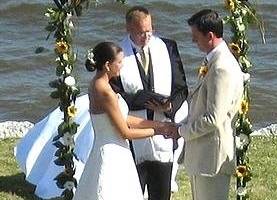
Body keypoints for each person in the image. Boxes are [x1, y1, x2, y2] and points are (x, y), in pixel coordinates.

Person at [73, 42, 175, 199]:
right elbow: (125, 132)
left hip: (105, 148)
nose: (122, 66)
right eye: (119, 62)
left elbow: (122, 118)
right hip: (113, 153)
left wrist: (159, 124)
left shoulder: (96, 83)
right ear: (108, 65)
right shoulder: (105, 91)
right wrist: (158, 131)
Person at [109, 6, 188, 200]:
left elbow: (181, 88)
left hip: (164, 131)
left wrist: (168, 106)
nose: (146, 36)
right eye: (140, 32)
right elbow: (115, 96)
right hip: (134, 134)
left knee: (161, 193)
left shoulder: (167, 47)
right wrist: (144, 99)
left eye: (149, 31)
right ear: (129, 29)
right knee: (131, 192)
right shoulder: (117, 55)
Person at [172, 9, 246, 200]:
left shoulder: (221, 68)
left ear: (210, 36)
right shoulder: (214, 61)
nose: (193, 41)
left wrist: (182, 131)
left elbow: (213, 118)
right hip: (203, 155)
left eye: (195, 37)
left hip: (212, 156)